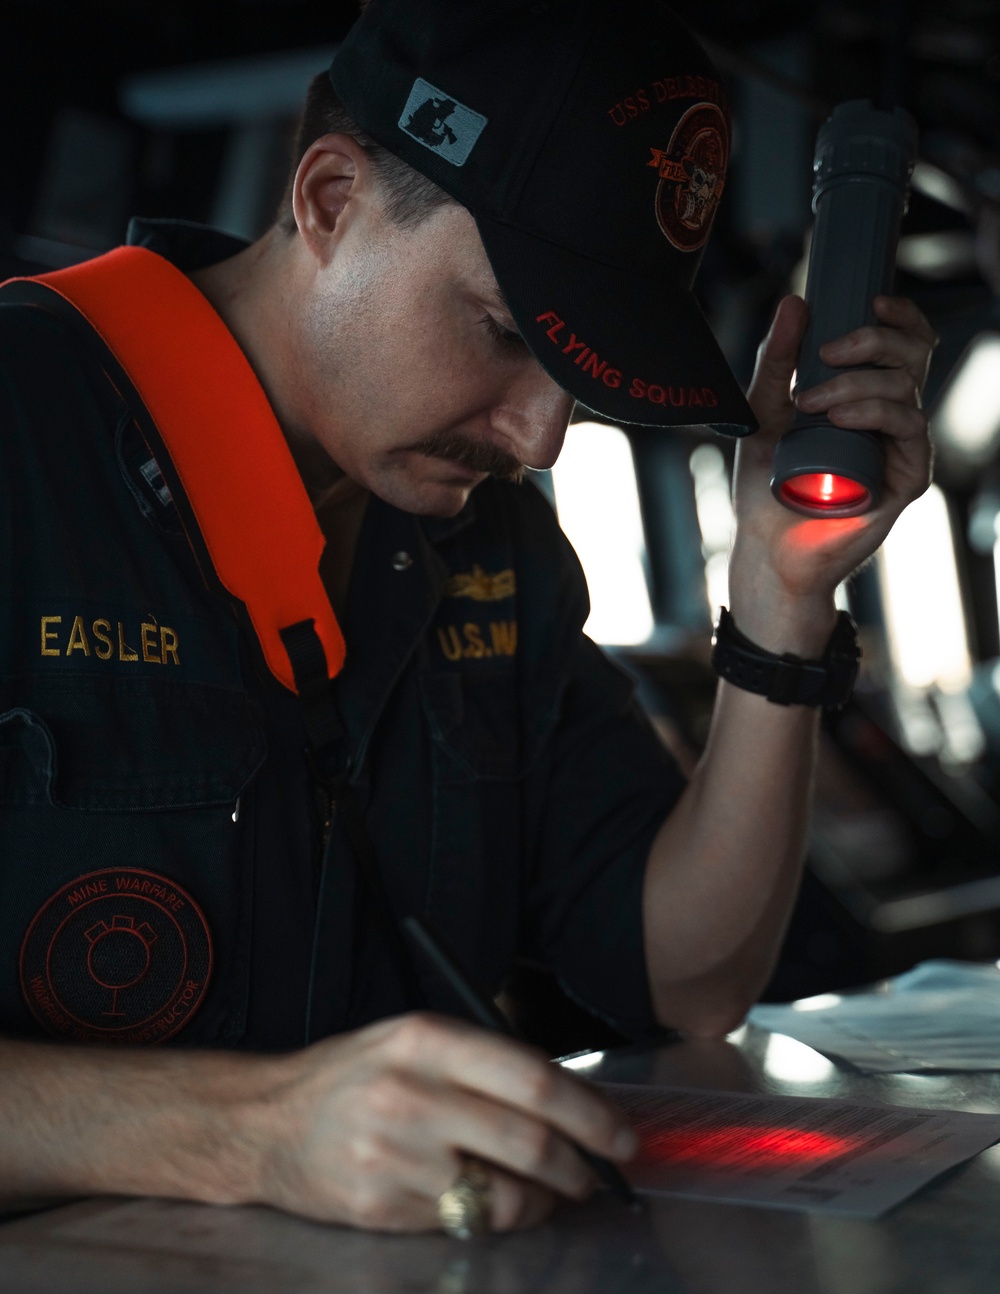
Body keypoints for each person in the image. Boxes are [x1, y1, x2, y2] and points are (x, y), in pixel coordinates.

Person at [0, 0, 934, 1235]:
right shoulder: (23, 430)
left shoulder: (487, 540)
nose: (541, 435)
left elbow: (684, 973)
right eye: (502, 332)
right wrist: (258, 1130)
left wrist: (782, 599)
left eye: (585, 378)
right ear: (331, 200)